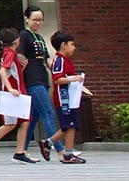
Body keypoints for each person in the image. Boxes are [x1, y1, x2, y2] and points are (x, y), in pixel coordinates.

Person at [0, 27, 36, 164]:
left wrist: (21, 68)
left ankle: (20, 152)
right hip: (13, 93)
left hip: (17, 92)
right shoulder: (10, 54)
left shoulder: (8, 53)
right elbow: (2, 71)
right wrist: (10, 89)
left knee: (24, 121)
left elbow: (11, 72)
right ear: (17, 41)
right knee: (11, 124)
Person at [17, 5, 66, 161]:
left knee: (32, 117)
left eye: (40, 20)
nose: (38, 23)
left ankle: (21, 151)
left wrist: (60, 72)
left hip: (42, 78)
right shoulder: (25, 35)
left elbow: (46, 60)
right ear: (27, 19)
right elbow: (19, 54)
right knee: (48, 113)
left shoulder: (39, 37)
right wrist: (24, 68)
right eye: (35, 20)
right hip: (32, 79)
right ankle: (60, 150)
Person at [49, 30, 92, 164]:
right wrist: (73, 79)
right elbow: (57, 79)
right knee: (69, 125)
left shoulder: (65, 61)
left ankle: (53, 146)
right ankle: (65, 153)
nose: (74, 48)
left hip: (69, 99)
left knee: (71, 125)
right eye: (72, 44)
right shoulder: (59, 61)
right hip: (64, 100)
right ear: (64, 45)